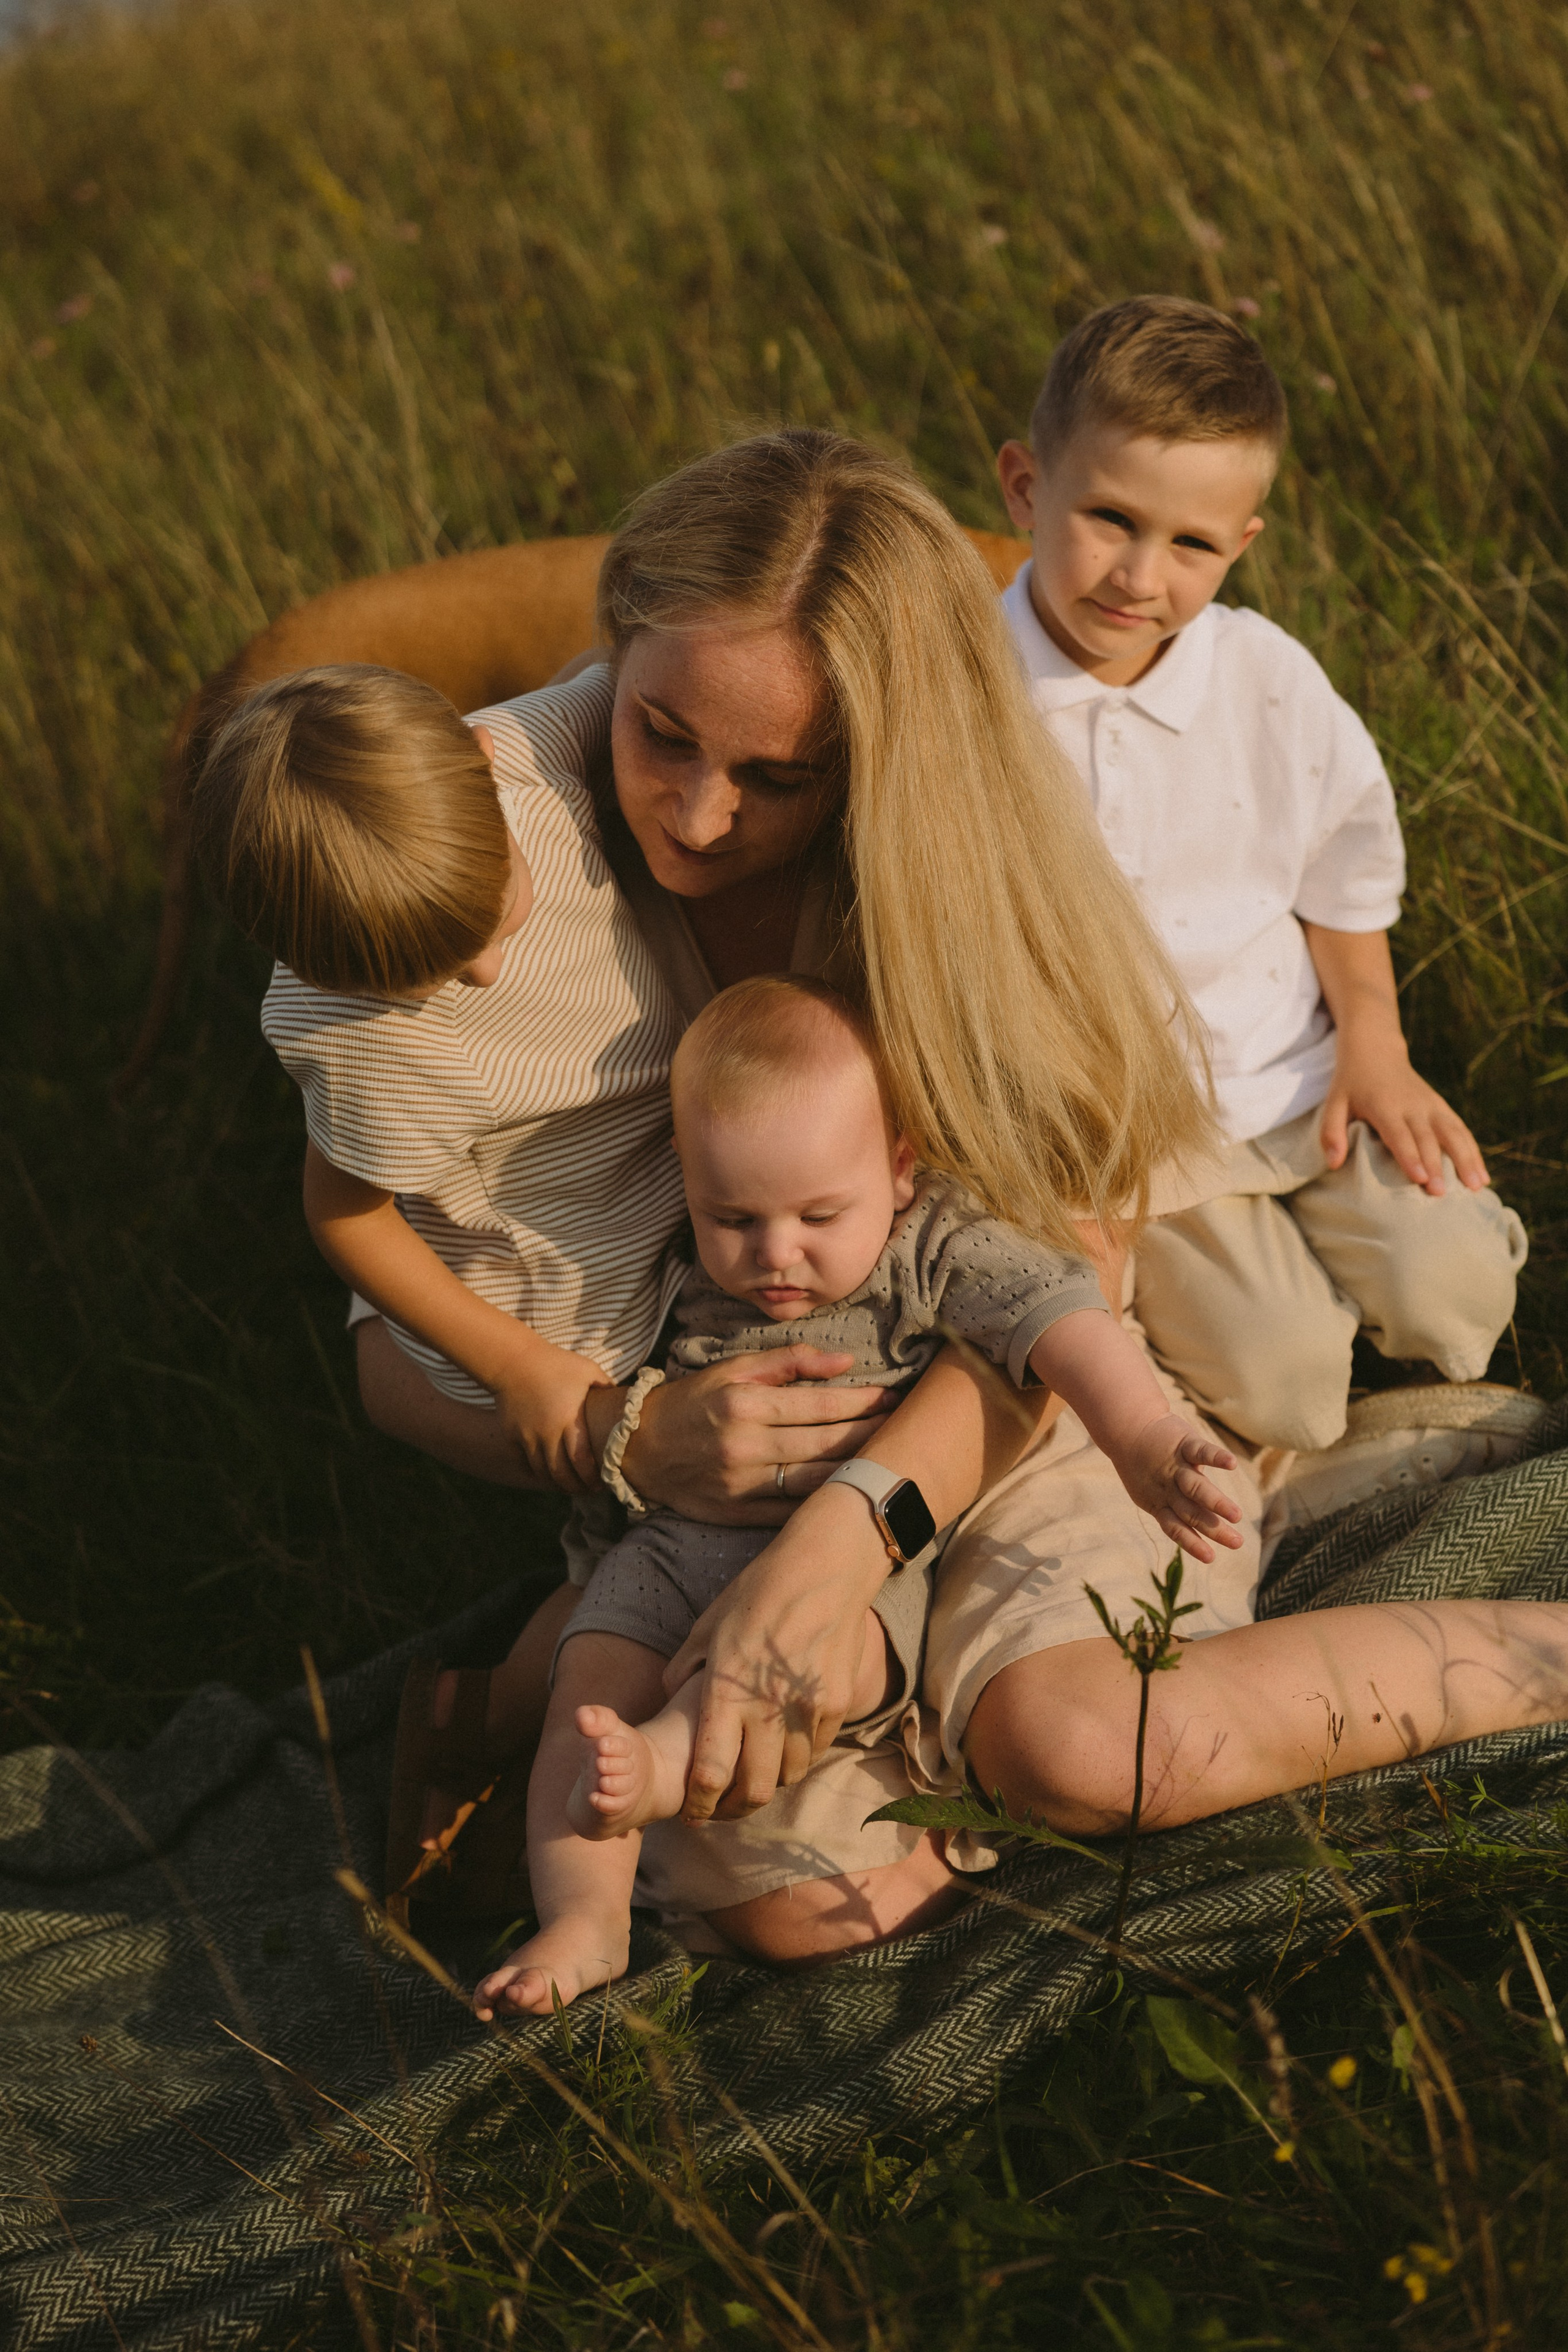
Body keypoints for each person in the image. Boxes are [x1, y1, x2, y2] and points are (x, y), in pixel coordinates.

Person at [189, 428, 1219, 1951]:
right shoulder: (488, 847)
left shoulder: (923, 891)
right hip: (682, 1385)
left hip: (938, 1371)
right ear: (609, 665)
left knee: (1221, 1379)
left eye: (773, 777)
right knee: (781, 1896)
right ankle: (535, 1719)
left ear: (874, 760)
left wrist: (842, 1539)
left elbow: (1054, 1261)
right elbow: (387, 1323)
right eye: (657, 734)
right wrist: (619, 1439)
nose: (696, 817)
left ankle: (645, 1696)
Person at [473, 973, 1243, 2018]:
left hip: (863, 1580)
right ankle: (583, 1919)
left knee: (775, 1672)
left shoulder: (927, 1245)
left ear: (898, 1167)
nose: (774, 1254)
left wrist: (1144, 1435)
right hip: (674, 1548)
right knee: (588, 1692)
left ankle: (666, 1763)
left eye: (817, 1214)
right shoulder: (676, 1267)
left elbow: (1054, 1310)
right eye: (731, 1215)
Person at [995, 295, 1528, 1455]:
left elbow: (1340, 865)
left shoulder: (1264, 679)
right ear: (1027, 489)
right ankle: (1301, 1354)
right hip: (1137, 1140)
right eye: (1109, 519)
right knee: (1285, 1386)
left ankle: (1381, 1310)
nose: (1141, 576)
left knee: (1461, 1294)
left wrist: (1374, 1044)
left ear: (1242, 544)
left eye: (1190, 544)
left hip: (1301, 1080)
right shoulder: (976, 699)